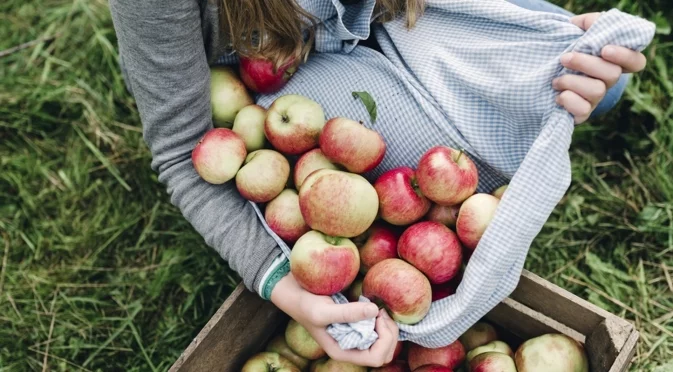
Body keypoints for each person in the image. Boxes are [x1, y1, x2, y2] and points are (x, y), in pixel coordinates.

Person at [109, 0, 647, 367]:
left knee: (601, 81)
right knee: (411, 183)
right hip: (281, 70)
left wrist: (532, 45)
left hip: (391, 11)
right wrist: (287, 286)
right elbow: (183, 153)